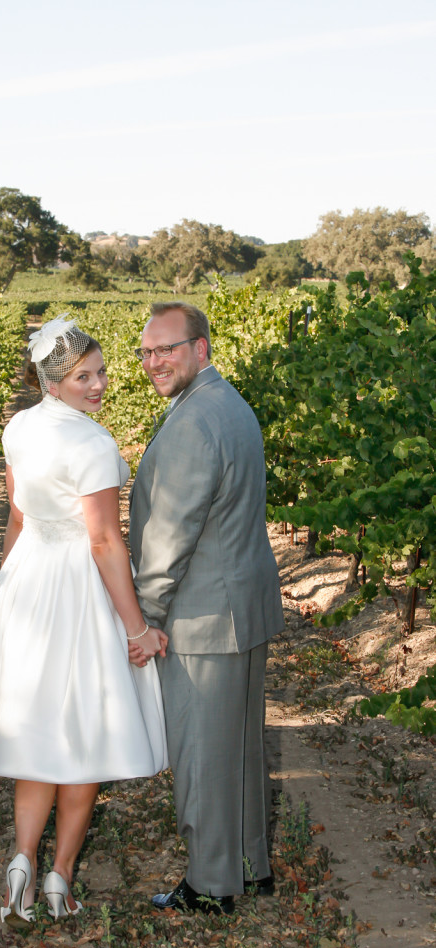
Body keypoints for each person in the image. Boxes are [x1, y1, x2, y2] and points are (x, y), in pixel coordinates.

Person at [0, 314, 168, 925]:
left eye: (101, 372)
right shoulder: (94, 444)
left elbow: (18, 518)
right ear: (54, 381)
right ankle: (60, 877)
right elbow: (105, 543)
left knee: (37, 734)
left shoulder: (19, 427)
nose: (99, 385)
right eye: (84, 376)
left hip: (27, 583)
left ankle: (21, 862)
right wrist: (135, 629)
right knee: (80, 734)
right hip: (75, 589)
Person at [128, 301, 284, 915]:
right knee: (238, 752)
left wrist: (147, 618)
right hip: (239, 608)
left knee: (202, 759)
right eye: (146, 352)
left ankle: (211, 885)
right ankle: (249, 866)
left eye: (166, 348)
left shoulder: (194, 422)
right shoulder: (229, 404)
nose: (154, 361)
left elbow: (170, 536)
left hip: (202, 619)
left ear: (201, 348)